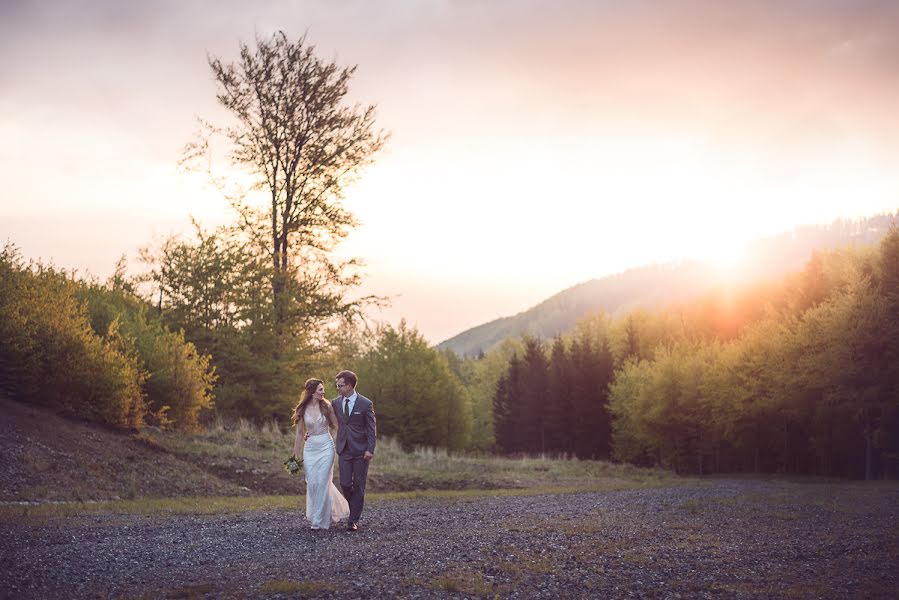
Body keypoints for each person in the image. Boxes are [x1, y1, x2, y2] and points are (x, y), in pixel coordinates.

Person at [292, 378, 349, 529]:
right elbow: (299, 434)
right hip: (310, 448)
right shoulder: (302, 409)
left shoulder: (327, 406)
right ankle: (322, 512)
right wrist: (294, 455)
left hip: (326, 447)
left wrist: (347, 443)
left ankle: (318, 520)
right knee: (313, 483)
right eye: (320, 390)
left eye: (323, 389)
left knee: (323, 480)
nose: (323, 392)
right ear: (312, 392)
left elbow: (337, 426)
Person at [333, 370, 376, 531]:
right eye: (337, 385)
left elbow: (372, 429)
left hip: (361, 451)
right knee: (344, 483)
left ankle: (353, 520)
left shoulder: (365, 404)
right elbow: (327, 419)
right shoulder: (336, 403)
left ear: (350, 386)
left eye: (340, 385)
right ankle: (353, 506)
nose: (338, 388)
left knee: (359, 485)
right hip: (343, 449)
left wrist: (370, 449)